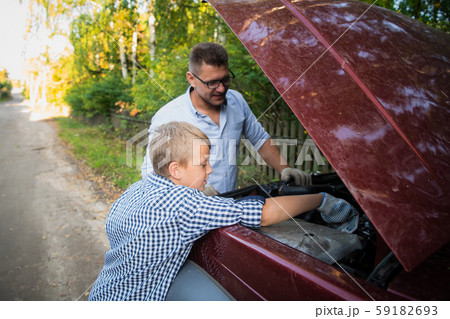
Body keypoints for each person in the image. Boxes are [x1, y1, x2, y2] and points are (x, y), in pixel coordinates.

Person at [89, 121, 358, 301]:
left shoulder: (134, 191)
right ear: (176, 170)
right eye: (203, 164)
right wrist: (321, 199)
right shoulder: (186, 205)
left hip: (102, 295)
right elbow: (265, 213)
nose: (210, 170)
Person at [141, 42, 311, 195]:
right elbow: (150, 174)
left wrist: (285, 168)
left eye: (225, 79)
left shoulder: (237, 102)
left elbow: (260, 139)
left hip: (230, 204)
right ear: (191, 79)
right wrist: (191, 192)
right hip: (190, 212)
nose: (221, 89)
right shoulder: (169, 115)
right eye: (212, 83)